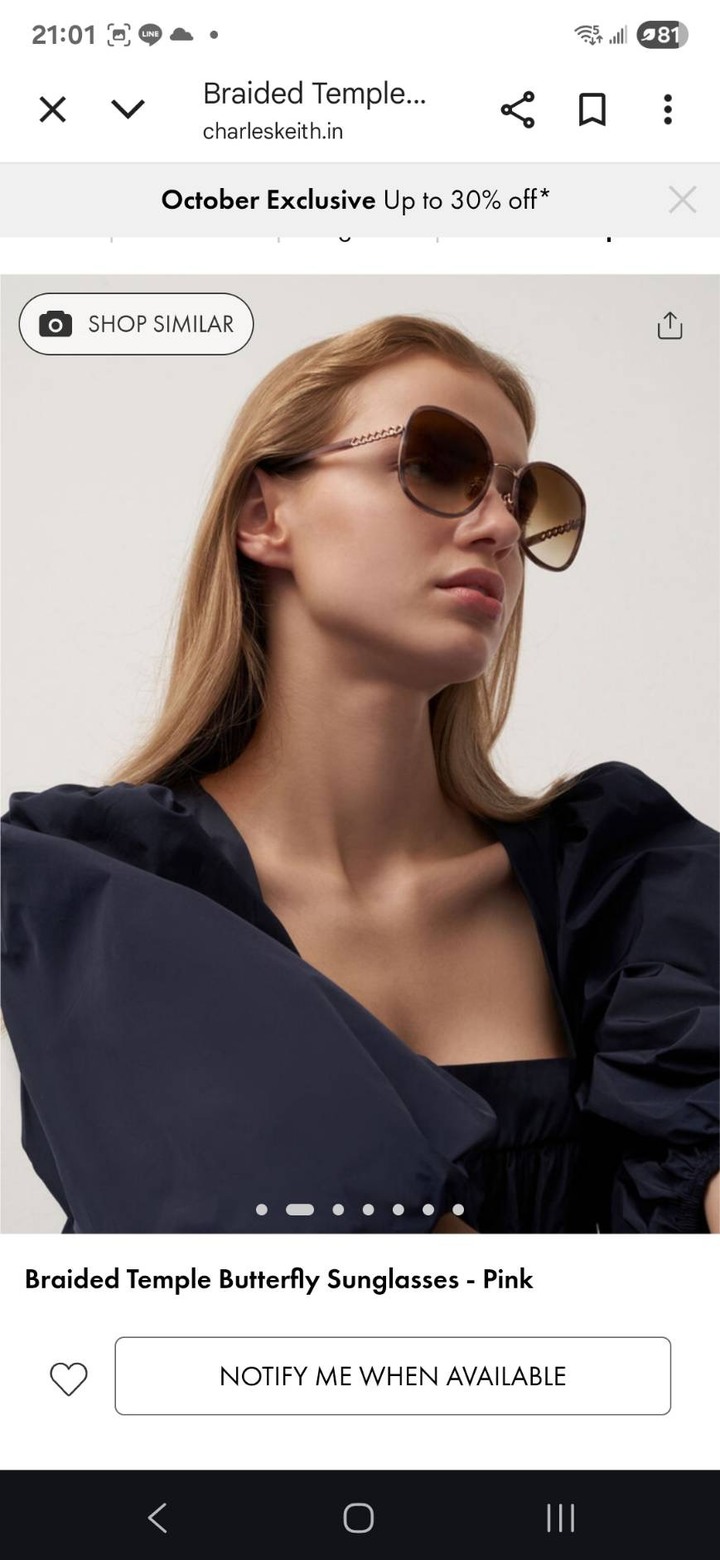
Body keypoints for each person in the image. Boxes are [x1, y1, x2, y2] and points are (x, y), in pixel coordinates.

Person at [2, 315, 718, 1234]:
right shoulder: (98, 897)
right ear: (265, 517)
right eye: (439, 465)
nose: (501, 526)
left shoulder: (629, 889)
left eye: (522, 495)